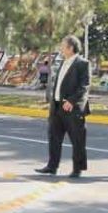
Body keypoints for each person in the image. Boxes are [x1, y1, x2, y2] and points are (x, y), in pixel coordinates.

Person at [35, 36, 91, 178]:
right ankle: (52, 166)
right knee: (54, 137)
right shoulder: (63, 62)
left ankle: (77, 168)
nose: (60, 48)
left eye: (63, 45)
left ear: (71, 48)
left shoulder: (82, 63)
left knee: (77, 139)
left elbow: (84, 86)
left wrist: (72, 101)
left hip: (72, 108)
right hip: (57, 107)